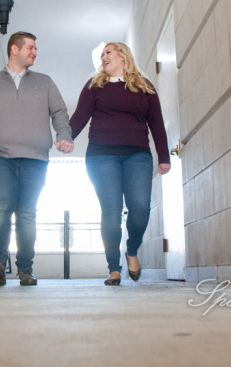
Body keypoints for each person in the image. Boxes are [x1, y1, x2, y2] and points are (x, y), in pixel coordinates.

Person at [0, 31, 74, 287]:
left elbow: (59, 112)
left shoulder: (44, 82)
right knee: (1, 207)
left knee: (27, 213)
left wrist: (64, 135)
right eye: (30, 47)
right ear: (14, 50)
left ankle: (25, 270)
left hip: (35, 159)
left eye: (35, 48)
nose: (34, 52)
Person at [70, 42, 170, 286]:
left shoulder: (144, 87)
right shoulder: (95, 86)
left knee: (140, 207)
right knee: (111, 212)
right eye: (102, 54)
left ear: (123, 56)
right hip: (101, 155)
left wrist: (164, 156)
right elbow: (79, 117)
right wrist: (65, 137)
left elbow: (156, 122)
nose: (103, 57)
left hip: (137, 154)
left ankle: (132, 249)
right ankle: (114, 267)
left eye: (108, 53)